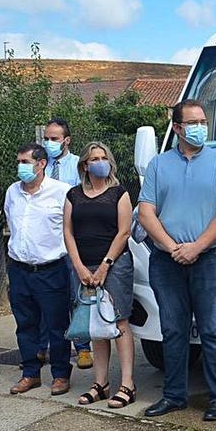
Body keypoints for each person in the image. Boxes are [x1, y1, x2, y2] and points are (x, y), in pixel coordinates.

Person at [138, 99, 216, 421]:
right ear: (178, 127)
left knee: (212, 331)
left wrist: (197, 246)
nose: (200, 128)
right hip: (167, 260)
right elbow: (145, 212)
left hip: (212, 258)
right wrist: (171, 247)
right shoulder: (158, 165)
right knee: (172, 330)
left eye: (203, 122)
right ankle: (174, 396)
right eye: (193, 122)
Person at [63, 141, 137, 408]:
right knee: (96, 325)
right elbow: (68, 233)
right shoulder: (73, 195)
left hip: (115, 265)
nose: (99, 162)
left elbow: (124, 231)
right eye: (94, 158)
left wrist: (106, 265)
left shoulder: (119, 193)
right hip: (84, 266)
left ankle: (127, 384)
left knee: (119, 322)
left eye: (103, 157)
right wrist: (79, 266)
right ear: (85, 164)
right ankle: (101, 383)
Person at [5, 142, 74, 395]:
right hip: (20, 269)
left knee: (57, 326)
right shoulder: (13, 192)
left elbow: (71, 229)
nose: (20, 167)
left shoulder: (62, 192)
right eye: (19, 162)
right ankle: (30, 373)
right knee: (25, 324)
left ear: (41, 163)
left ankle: (60, 375)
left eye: (25, 162)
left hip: (51, 269)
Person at [44, 118, 92, 370]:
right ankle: (44, 346)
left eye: (54, 139)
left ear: (67, 140)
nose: (49, 143)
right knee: (47, 298)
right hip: (46, 242)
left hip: (73, 240)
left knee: (77, 295)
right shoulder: (39, 166)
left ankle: (83, 347)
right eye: (46, 138)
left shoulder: (78, 167)